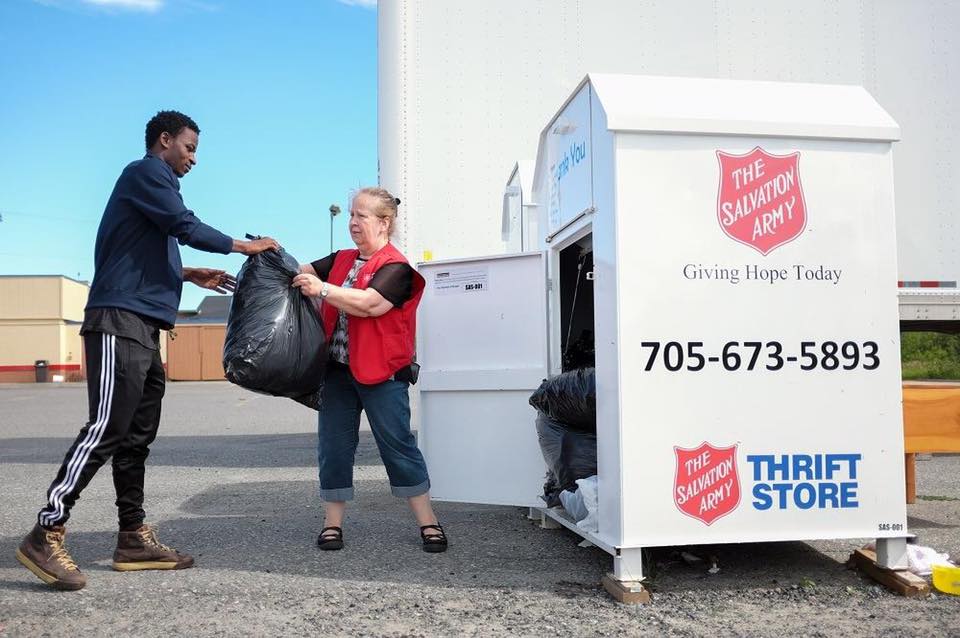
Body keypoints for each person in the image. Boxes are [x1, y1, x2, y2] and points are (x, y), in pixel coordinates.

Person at [16, 110, 279, 591]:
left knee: (136, 437)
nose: (194, 158)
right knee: (106, 428)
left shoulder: (154, 189)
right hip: (118, 321)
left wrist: (187, 273)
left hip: (144, 325)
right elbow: (183, 224)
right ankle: (45, 531)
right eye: (190, 147)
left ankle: (132, 538)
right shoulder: (145, 173)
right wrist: (244, 246)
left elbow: (136, 252)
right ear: (165, 140)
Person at [292, 187, 448, 553]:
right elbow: (301, 271)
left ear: (384, 222)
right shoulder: (343, 259)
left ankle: (429, 523)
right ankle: (332, 525)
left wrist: (322, 289)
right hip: (338, 372)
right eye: (351, 214)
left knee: (397, 445)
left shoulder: (397, 267)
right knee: (333, 446)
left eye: (361, 215)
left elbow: (369, 305)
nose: (352, 222)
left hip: (383, 372)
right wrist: (269, 257)